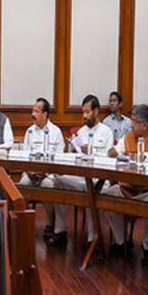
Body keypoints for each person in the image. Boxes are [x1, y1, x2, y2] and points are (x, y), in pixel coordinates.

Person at [105, 104, 148, 260]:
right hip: (127, 187)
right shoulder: (128, 136)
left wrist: (141, 156)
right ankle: (122, 241)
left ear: (145, 125)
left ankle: (146, 243)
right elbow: (116, 150)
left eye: (134, 122)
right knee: (107, 196)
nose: (131, 125)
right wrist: (112, 152)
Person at [49, 95, 114, 248]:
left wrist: (91, 151)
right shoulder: (81, 132)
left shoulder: (107, 132)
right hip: (81, 177)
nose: (84, 116)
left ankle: (93, 240)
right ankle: (60, 230)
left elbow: (109, 159)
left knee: (91, 191)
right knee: (58, 183)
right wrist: (74, 150)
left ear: (96, 111)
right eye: (83, 112)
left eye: (88, 112)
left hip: (99, 179)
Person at [17, 98, 64, 239]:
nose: (33, 114)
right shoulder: (30, 132)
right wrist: (30, 171)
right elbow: (24, 156)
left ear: (45, 114)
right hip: (30, 172)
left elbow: (59, 158)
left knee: (47, 186)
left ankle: (50, 221)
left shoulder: (56, 132)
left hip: (49, 174)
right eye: (33, 111)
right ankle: (24, 221)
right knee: (22, 185)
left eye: (36, 112)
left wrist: (45, 172)